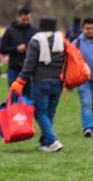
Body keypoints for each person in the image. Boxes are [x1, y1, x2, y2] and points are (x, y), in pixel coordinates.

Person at [10, 17, 65, 152]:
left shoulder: (36, 41)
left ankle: (53, 140)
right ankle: (45, 143)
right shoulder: (62, 40)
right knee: (50, 112)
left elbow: (29, 64)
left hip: (41, 81)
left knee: (40, 112)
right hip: (58, 82)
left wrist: (20, 80)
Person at [0, 5, 38, 98]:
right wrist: (16, 49)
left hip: (29, 70)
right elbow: (2, 49)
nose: (26, 22)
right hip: (14, 68)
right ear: (18, 17)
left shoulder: (34, 31)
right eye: (24, 19)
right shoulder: (10, 31)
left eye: (28, 19)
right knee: (14, 96)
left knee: (29, 97)